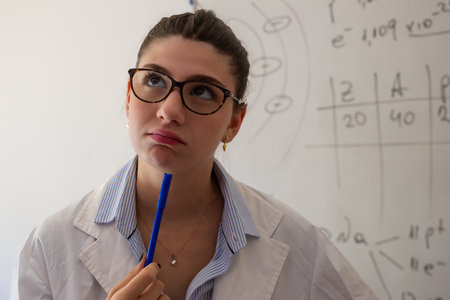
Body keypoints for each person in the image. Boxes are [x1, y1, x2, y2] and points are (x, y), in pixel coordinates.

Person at [12, 9, 377, 300]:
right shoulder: (50, 247)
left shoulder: (300, 246)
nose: (170, 111)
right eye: (154, 80)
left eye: (202, 91)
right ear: (128, 96)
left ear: (234, 122)